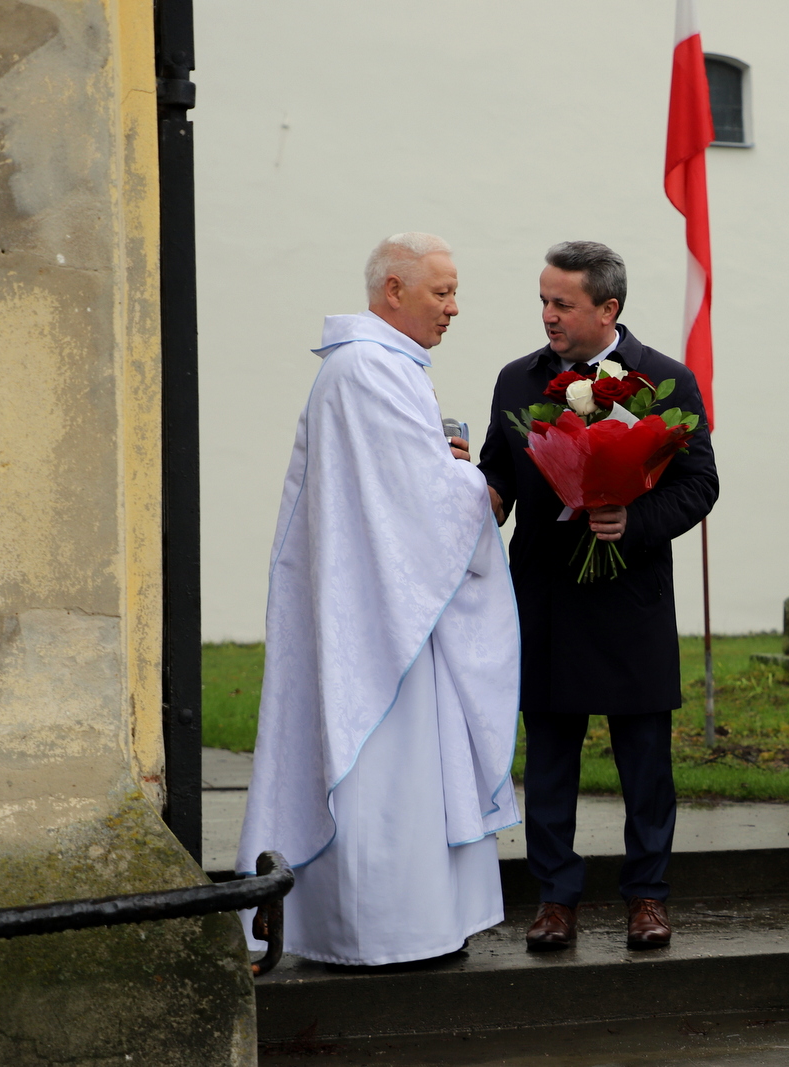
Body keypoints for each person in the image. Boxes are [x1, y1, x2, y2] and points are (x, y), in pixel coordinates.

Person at [235, 232, 520, 967]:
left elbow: (406, 483)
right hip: (376, 619)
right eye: (441, 292)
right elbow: (424, 502)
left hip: (389, 604)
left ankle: (410, 924)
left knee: (403, 776)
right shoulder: (369, 370)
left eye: (455, 292)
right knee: (384, 773)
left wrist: (447, 468)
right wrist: (476, 487)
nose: (454, 307)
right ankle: (382, 932)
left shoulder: (379, 368)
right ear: (393, 290)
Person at [477, 241, 718, 950]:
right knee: (550, 757)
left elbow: (699, 483)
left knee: (645, 758)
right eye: (544, 301)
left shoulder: (665, 380)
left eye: (563, 303)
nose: (547, 315)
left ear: (608, 308)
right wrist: (468, 486)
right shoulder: (516, 380)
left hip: (629, 596)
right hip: (547, 595)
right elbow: (501, 473)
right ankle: (556, 898)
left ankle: (647, 895)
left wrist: (631, 520)